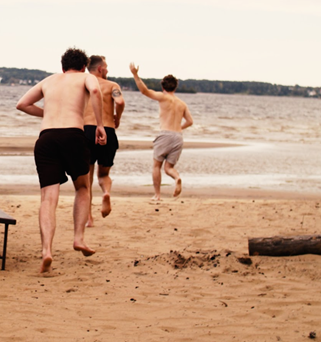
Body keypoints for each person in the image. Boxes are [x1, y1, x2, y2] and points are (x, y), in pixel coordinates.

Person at [16, 48, 107, 273]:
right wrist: (100, 124)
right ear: (84, 66)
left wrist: (46, 114)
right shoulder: (87, 77)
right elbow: (95, 91)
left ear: (62, 66)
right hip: (72, 136)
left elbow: (22, 104)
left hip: (46, 139)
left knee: (48, 198)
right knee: (83, 187)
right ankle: (78, 238)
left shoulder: (49, 80)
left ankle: (46, 250)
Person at [129, 63, 193, 201]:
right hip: (178, 137)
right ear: (175, 87)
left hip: (165, 134)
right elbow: (190, 121)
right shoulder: (182, 103)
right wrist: (178, 128)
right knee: (168, 167)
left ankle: (157, 195)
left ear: (163, 87)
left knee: (156, 165)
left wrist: (135, 74)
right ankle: (177, 178)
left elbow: (144, 91)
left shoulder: (163, 97)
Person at [82, 55, 124, 225]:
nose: (107, 70)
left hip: (86, 131)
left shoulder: (83, 83)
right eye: (106, 67)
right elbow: (120, 102)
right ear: (100, 68)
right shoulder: (113, 86)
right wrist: (118, 118)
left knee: (87, 178)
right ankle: (106, 192)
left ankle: (89, 218)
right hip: (107, 129)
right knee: (104, 174)